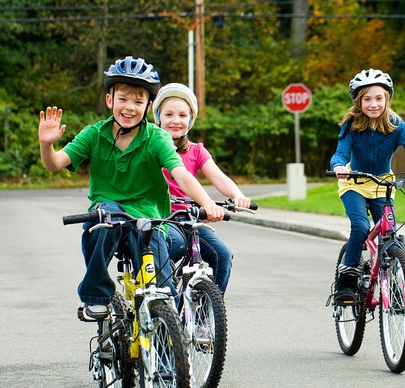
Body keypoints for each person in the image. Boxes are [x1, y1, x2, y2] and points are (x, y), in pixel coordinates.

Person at [38, 56, 225, 319]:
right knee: (107, 216)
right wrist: (47, 145)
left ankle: (163, 351)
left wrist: (207, 202)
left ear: (148, 107)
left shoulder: (157, 137)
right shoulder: (94, 134)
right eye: (122, 99)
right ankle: (96, 294)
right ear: (109, 100)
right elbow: (55, 163)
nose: (129, 107)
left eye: (138, 101)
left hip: (148, 220)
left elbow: (180, 173)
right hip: (109, 215)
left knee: (165, 296)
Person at [329, 68, 405, 303]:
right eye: (367, 99)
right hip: (354, 184)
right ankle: (347, 279)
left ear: (387, 98)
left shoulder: (395, 124)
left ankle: (393, 279)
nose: (373, 104)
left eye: (379, 98)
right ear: (358, 101)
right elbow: (340, 153)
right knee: (361, 227)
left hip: (383, 184)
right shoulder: (352, 124)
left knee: (390, 234)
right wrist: (339, 167)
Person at [151, 83, 250, 294]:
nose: (176, 120)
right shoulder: (151, 147)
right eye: (169, 114)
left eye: (182, 115)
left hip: (191, 217)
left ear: (190, 121)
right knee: (174, 245)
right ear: (158, 118)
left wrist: (237, 195)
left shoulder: (196, 151)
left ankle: (209, 313)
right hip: (162, 218)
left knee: (222, 256)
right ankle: (165, 304)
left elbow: (219, 177)